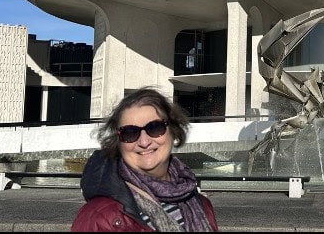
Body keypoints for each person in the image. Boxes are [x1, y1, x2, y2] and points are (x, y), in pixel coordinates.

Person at [72, 87, 218, 232]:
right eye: (130, 132)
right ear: (118, 142)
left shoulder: (201, 204)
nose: (144, 142)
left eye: (155, 127)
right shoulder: (99, 217)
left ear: (173, 130)